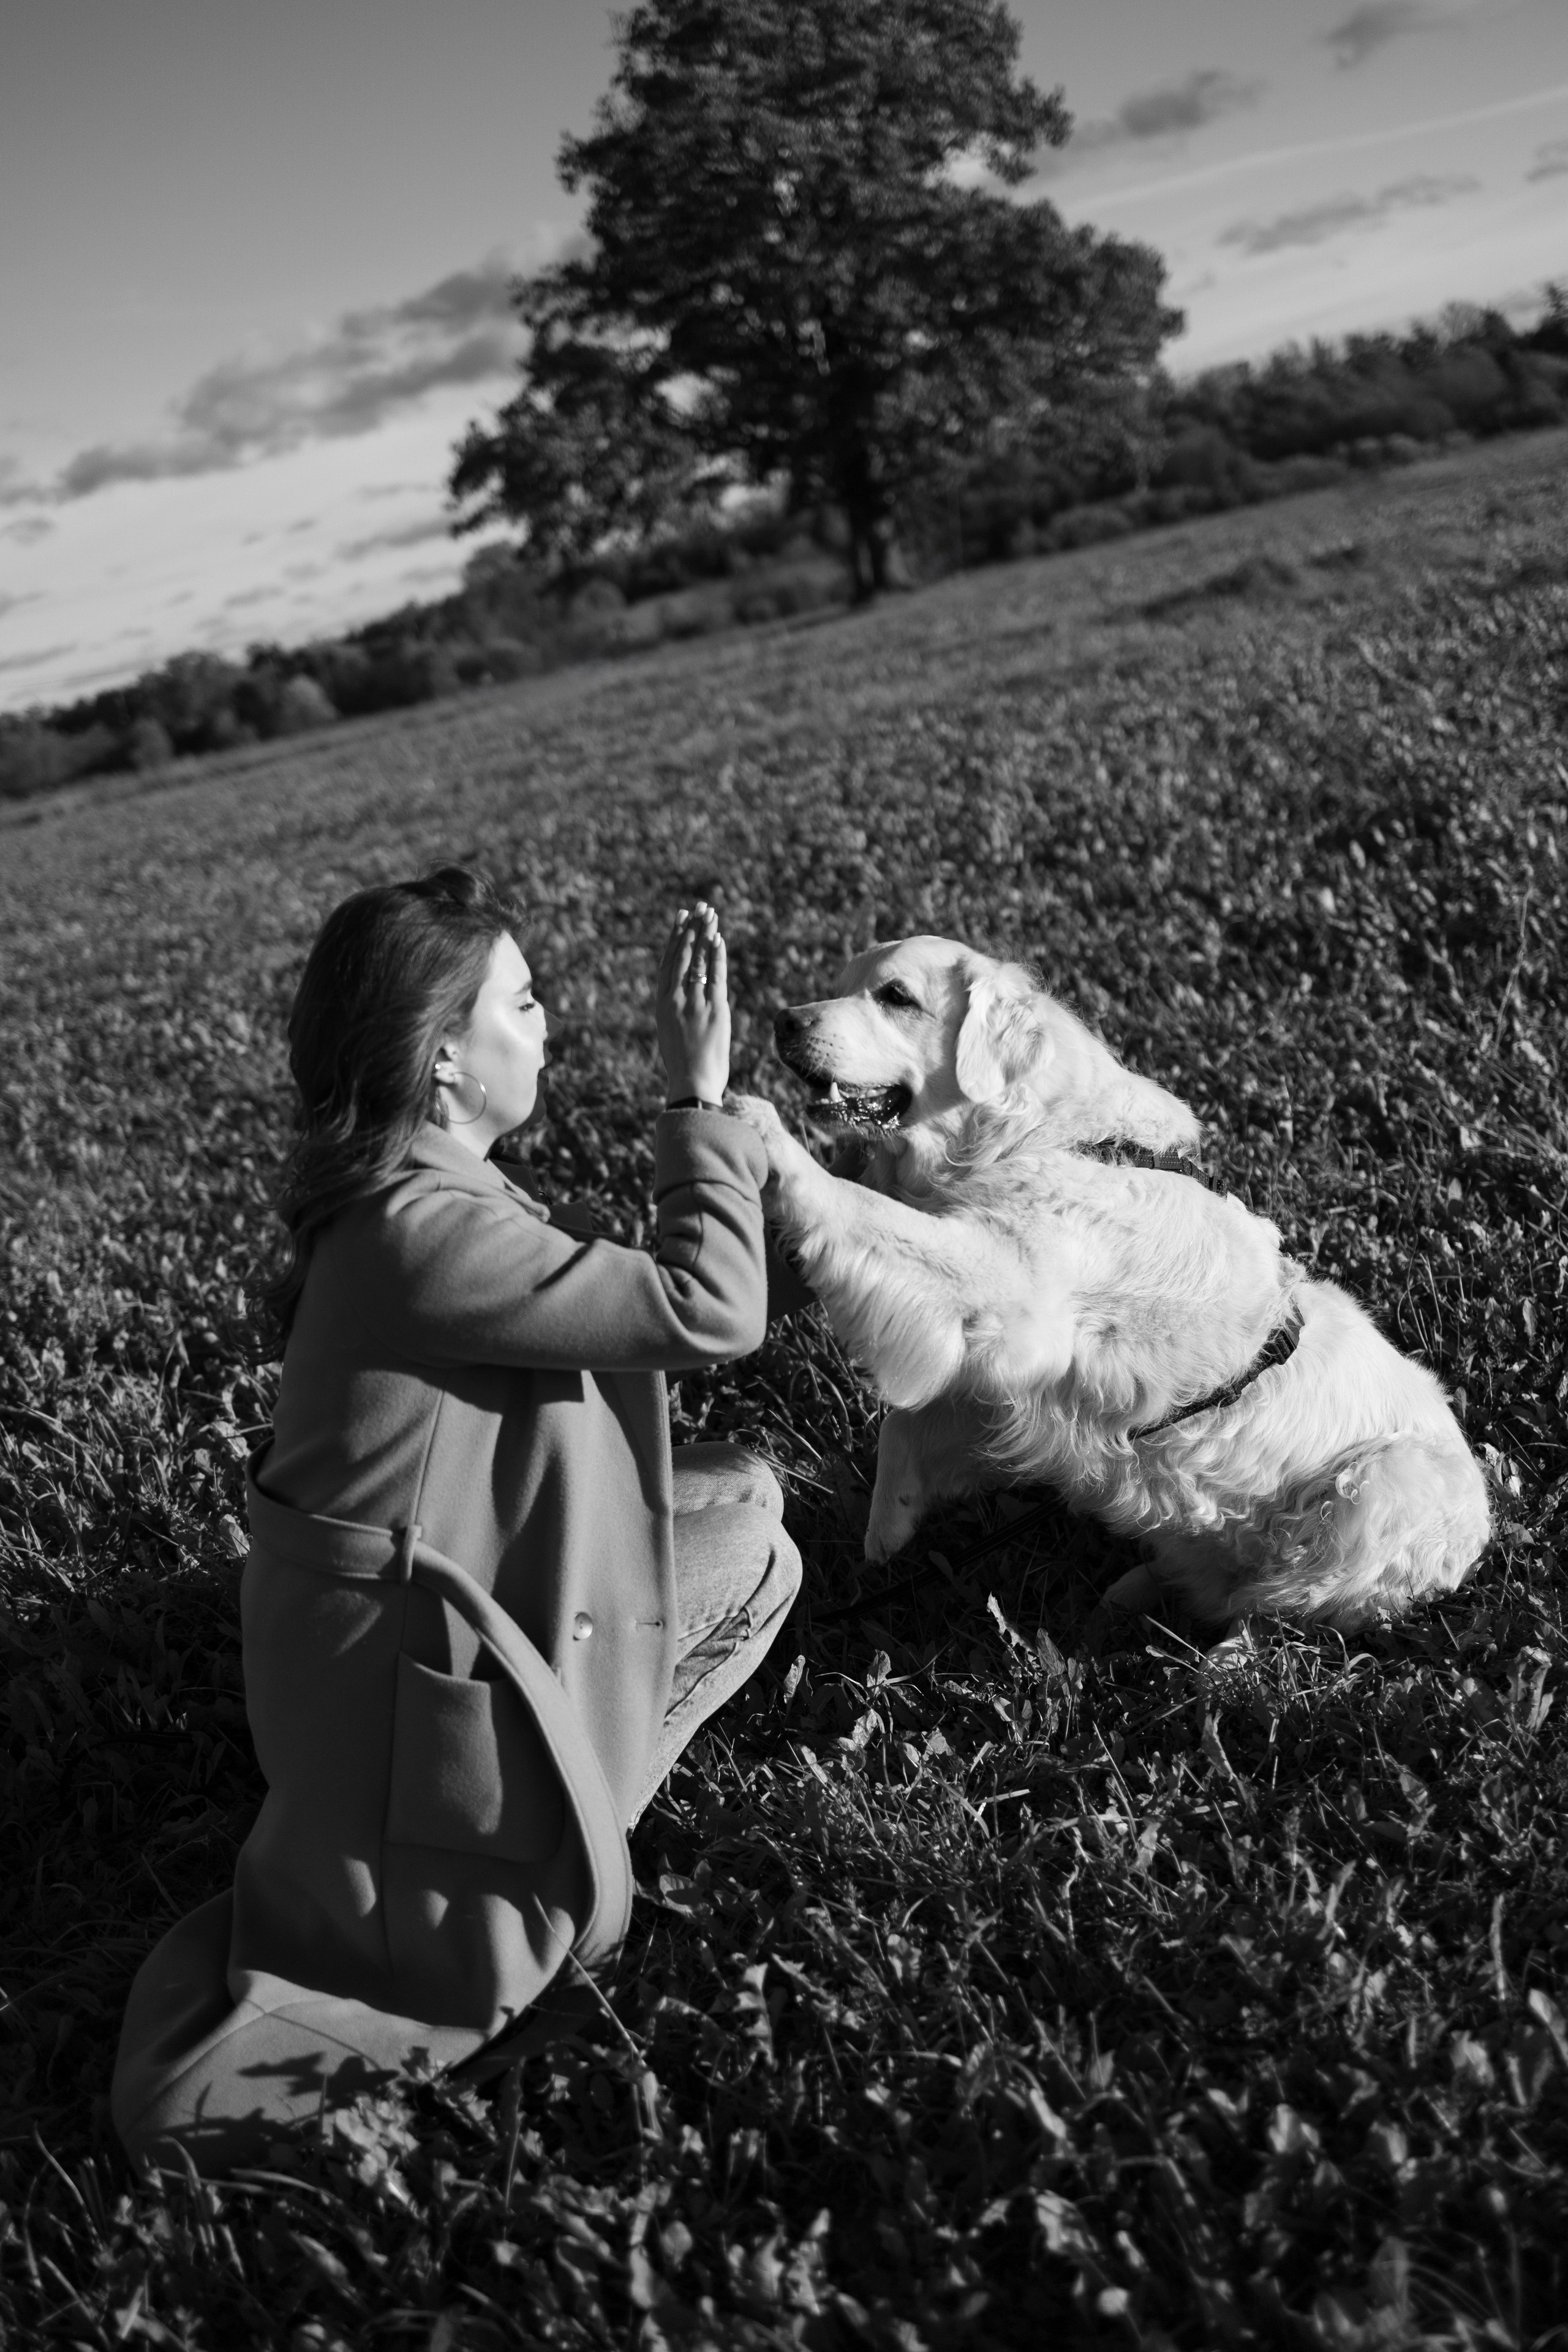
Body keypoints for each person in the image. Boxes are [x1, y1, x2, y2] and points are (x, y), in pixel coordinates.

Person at [111, 867, 801, 2171]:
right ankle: (575, 1830)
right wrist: (694, 1101)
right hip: (405, 1716)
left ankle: (569, 1773)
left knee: (739, 1487)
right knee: (755, 1551)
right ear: (442, 1058)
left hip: (385, 1640)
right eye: (525, 1002)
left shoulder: (403, 1204)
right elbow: (714, 1310)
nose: (546, 1026)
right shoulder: (422, 1230)